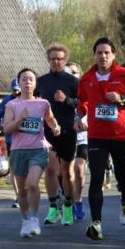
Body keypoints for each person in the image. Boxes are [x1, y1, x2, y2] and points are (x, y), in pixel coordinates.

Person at [74, 38, 125, 241]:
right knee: (96, 179)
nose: (103, 56)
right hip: (96, 136)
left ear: (114, 55)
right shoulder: (86, 78)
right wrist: (78, 117)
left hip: (120, 135)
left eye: (107, 52)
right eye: (99, 52)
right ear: (94, 55)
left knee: (123, 179)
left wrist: (123, 99)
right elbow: (81, 102)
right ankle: (96, 223)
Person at [3, 69, 61, 237]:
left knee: (32, 184)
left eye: (31, 79)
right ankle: (25, 220)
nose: (27, 82)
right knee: (21, 190)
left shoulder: (43, 103)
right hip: (18, 150)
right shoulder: (12, 105)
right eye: (24, 79)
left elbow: (50, 119)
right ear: (19, 83)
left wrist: (55, 127)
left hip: (38, 149)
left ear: (35, 83)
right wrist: (20, 119)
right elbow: (7, 129)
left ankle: (34, 218)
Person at [36, 44, 78, 227]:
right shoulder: (41, 81)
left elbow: (84, 103)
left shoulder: (73, 82)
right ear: (48, 60)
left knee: (67, 172)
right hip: (48, 132)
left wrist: (67, 100)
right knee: (51, 169)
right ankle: (53, 207)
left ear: (65, 60)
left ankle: (68, 206)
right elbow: (32, 101)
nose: (56, 61)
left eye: (59, 58)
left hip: (68, 131)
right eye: (53, 58)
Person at [0, 79, 22, 209]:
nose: (16, 92)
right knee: (14, 169)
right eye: (14, 89)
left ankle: (25, 192)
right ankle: (18, 196)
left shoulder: (29, 100)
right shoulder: (7, 101)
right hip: (11, 139)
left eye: (18, 89)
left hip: (26, 139)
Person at [66, 61, 88, 220]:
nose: (71, 75)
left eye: (74, 72)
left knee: (79, 170)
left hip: (82, 138)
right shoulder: (59, 93)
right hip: (65, 138)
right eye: (68, 72)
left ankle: (78, 200)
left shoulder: (86, 92)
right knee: (67, 173)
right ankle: (67, 197)